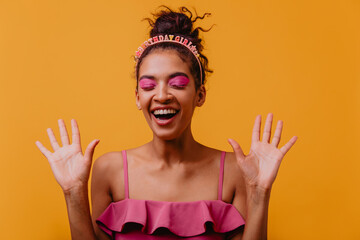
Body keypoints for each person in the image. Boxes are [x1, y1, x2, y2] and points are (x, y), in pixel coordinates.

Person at [36, 6, 297, 240]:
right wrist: (73, 192)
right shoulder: (110, 170)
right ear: (138, 98)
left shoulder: (235, 171)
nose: (161, 95)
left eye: (178, 84)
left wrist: (260, 191)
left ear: (200, 95)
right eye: (149, 85)